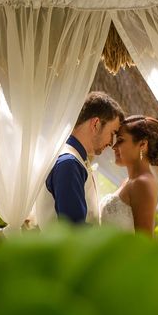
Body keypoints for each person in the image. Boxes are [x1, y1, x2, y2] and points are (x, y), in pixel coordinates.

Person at [36, 91, 124, 227]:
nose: (111, 143)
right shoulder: (69, 163)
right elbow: (75, 229)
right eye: (112, 133)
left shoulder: (75, 159)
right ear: (96, 124)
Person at [99, 115, 158, 234]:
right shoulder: (129, 181)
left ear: (142, 145)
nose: (114, 147)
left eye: (120, 140)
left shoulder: (143, 183)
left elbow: (144, 244)